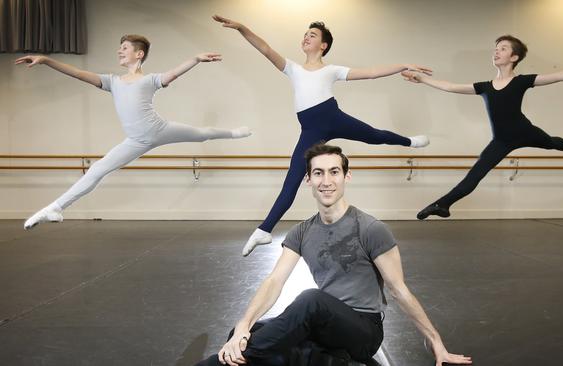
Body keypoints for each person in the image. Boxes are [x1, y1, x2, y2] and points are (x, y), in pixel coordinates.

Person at [195, 143, 472, 366]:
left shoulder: (371, 229)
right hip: (324, 326)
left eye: (334, 172)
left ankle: (220, 363)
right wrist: (243, 325)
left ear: (346, 176)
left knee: (310, 300)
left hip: (363, 330)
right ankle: (331, 360)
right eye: (318, 173)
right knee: (244, 333)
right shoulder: (302, 232)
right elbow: (274, 281)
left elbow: (399, 290)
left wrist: (436, 342)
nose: (326, 181)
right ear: (308, 179)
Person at [212, 15, 432, 256]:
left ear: (323, 45)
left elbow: (370, 72)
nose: (306, 36)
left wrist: (401, 66)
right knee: (293, 178)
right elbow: (265, 49)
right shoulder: (293, 69)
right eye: (305, 34)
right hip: (311, 130)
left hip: (333, 117)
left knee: (374, 135)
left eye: (312, 34)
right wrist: (243, 28)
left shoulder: (332, 70)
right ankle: (264, 230)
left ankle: (410, 141)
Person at [15, 34, 251, 229]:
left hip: (159, 129)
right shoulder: (112, 81)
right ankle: (55, 208)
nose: (119, 51)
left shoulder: (149, 80)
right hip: (136, 140)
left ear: (139, 54)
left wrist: (195, 59)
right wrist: (46, 60)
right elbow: (77, 73)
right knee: (97, 169)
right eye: (119, 48)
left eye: (124, 48)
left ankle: (234, 133)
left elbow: (174, 73)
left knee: (202, 133)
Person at [402, 35, 563, 219]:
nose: (496, 51)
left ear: (514, 57)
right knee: (475, 174)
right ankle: (442, 205)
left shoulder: (522, 81)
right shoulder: (485, 86)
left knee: (552, 143)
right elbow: (451, 87)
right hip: (501, 141)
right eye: (496, 48)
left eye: (502, 48)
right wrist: (422, 79)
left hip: (525, 131)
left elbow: (562, 75)